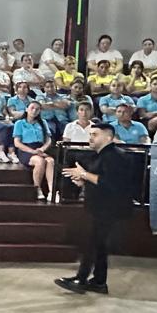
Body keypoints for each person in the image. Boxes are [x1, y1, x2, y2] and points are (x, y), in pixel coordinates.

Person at [56, 120, 132, 295]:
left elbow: (111, 183)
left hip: (109, 209)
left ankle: (81, 279)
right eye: (90, 134)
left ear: (108, 137)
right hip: (99, 207)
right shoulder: (100, 156)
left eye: (95, 135)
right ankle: (98, 282)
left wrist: (84, 174)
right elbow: (98, 182)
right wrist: (83, 181)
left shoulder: (115, 157)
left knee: (92, 245)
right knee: (98, 246)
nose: (90, 138)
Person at [14, 100, 56, 201]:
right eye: (32, 108)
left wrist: (43, 148)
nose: (34, 111)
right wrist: (32, 151)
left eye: (37, 109)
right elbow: (17, 143)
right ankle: (37, 188)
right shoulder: (20, 123)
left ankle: (52, 191)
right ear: (26, 109)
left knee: (50, 161)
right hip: (26, 149)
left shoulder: (43, 122)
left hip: (40, 148)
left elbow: (48, 139)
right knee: (40, 161)